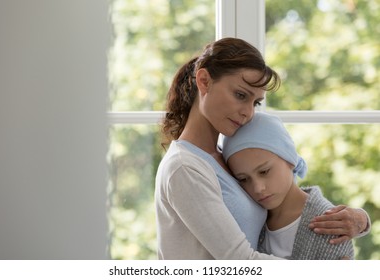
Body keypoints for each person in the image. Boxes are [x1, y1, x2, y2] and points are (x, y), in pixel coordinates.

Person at [155, 37, 370, 260]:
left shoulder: (224, 156)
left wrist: (360, 220)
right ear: (204, 81)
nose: (248, 112)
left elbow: (285, 193)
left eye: (255, 102)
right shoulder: (184, 167)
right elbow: (241, 261)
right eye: (240, 95)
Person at [222, 111, 356, 259]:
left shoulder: (331, 226)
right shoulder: (251, 218)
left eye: (264, 171)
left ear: (290, 159)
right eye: (244, 179)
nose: (258, 188)